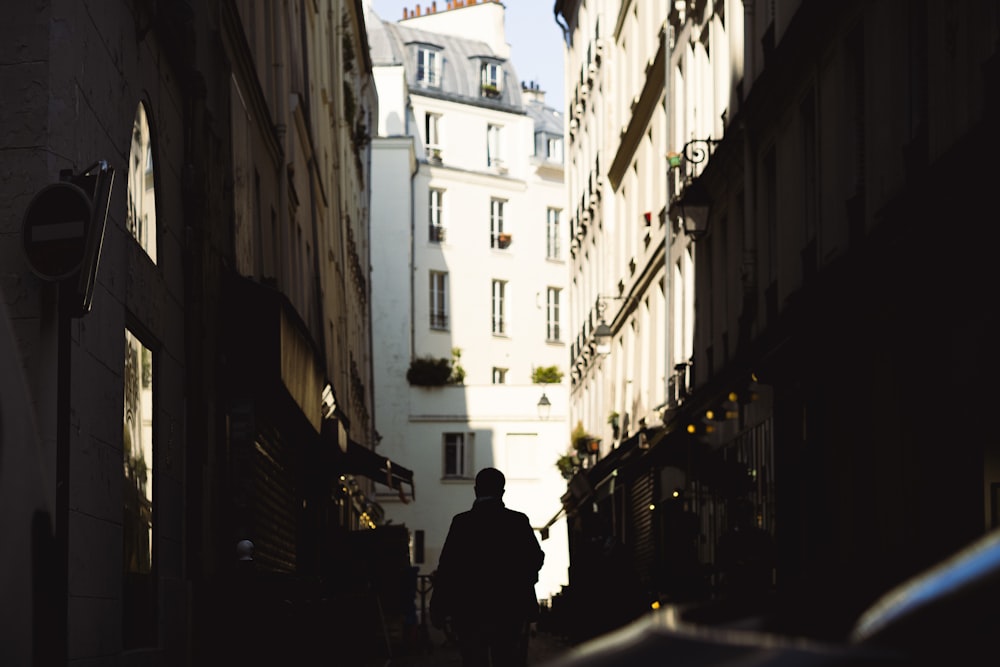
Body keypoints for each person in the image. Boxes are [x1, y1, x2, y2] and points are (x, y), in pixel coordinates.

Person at [430, 467, 544, 667]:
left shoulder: (462, 523)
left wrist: (439, 607)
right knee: (507, 658)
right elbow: (535, 558)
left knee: (474, 659)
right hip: (510, 608)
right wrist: (523, 581)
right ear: (502, 492)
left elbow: (448, 567)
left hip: (469, 609)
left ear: (476, 490)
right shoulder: (517, 521)